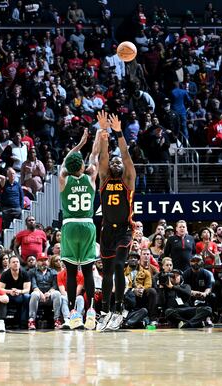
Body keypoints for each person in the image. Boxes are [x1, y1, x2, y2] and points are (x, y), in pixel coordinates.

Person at [58, 119, 104, 330]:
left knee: (69, 270)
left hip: (69, 226)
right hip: (87, 224)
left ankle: (73, 313)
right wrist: (97, 134)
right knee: (87, 270)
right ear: (83, 167)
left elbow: (65, 163)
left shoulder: (64, 179)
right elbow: (94, 155)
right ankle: (92, 310)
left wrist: (78, 145)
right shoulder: (91, 177)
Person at [97, 113, 137, 331]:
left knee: (120, 266)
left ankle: (120, 308)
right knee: (107, 271)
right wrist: (103, 132)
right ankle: (105, 310)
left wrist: (118, 133)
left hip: (124, 230)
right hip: (106, 232)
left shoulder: (128, 179)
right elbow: (103, 157)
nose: (115, 162)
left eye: (117, 161)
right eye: (113, 161)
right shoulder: (104, 179)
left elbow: (125, 155)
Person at [0, 255, 31, 328]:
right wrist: (9, 291)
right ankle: (3, 322)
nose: (16, 263)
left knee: (27, 297)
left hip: (20, 295)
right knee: (3, 298)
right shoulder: (5, 274)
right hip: (9, 295)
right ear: (9, 264)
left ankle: (23, 322)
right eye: (13, 262)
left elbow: (27, 290)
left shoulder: (25, 273)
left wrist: (19, 291)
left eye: (17, 262)